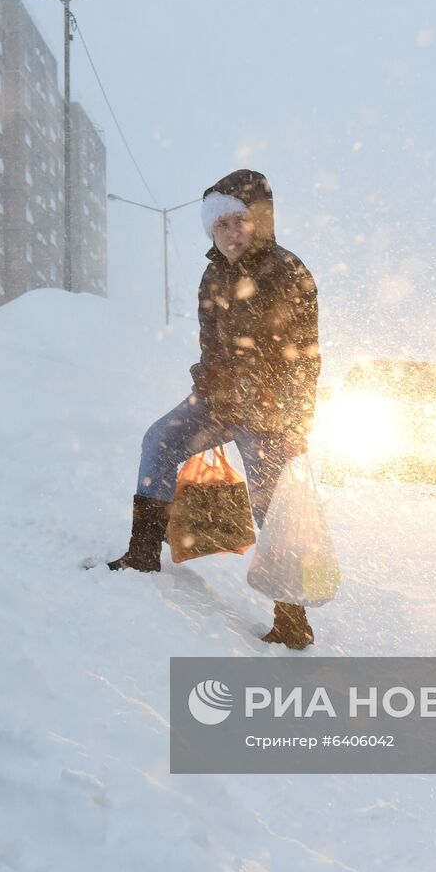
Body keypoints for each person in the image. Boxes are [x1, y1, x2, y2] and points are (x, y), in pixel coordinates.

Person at [107, 169, 321, 650]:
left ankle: (291, 619)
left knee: (273, 508)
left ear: (260, 220)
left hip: (269, 415)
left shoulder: (288, 271)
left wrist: (296, 419)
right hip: (220, 404)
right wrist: (207, 385)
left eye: (238, 221)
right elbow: (212, 346)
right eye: (219, 225)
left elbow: (306, 356)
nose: (229, 233)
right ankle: (142, 554)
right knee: (159, 441)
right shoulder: (213, 274)